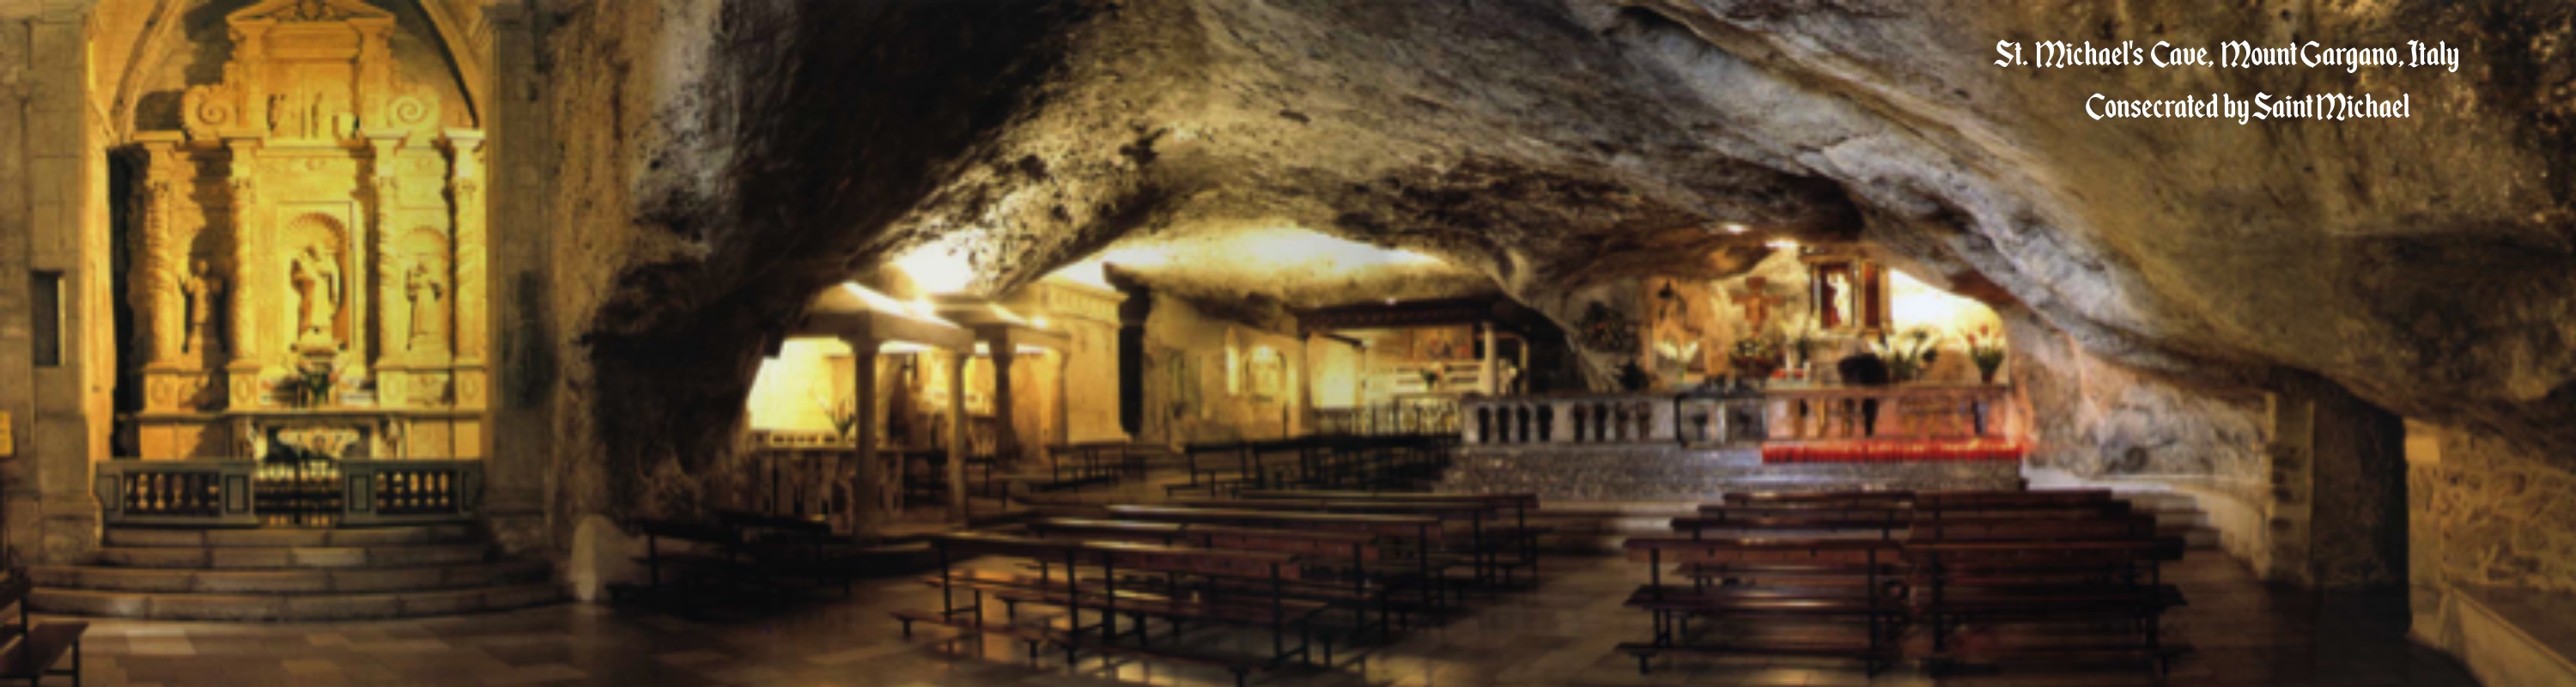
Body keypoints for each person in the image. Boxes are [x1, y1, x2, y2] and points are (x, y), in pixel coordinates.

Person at [1837, 351, 1891, 435]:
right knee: (1868, 403)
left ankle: (1854, 424)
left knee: (1867, 402)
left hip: (1867, 381)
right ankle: (1866, 427)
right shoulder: (1872, 365)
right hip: (1869, 381)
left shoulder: (1854, 365)